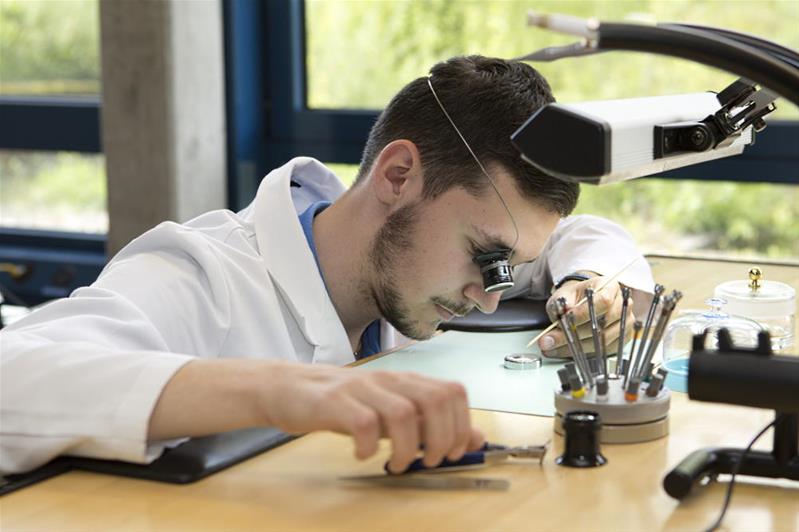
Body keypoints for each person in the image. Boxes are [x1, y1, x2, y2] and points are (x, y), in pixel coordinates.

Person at [0, 56, 653, 476]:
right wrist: (286, 391)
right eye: (486, 258)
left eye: (511, 268)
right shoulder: (197, 276)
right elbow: (12, 377)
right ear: (398, 175)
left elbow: (589, 234)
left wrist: (597, 283)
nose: (487, 298)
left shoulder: (434, 250)